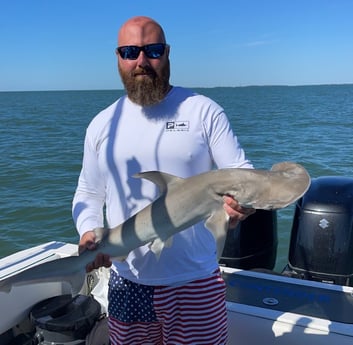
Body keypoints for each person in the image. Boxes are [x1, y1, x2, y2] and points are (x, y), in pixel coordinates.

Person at [73, 15, 254, 345]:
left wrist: (243, 203)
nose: (141, 61)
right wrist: (87, 228)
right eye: (130, 52)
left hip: (195, 280)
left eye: (152, 50)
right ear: (118, 58)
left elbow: (241, 172)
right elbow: (88, 190)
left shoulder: (202, 111)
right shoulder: (101, 125)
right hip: (128, 280)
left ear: (167, 53)